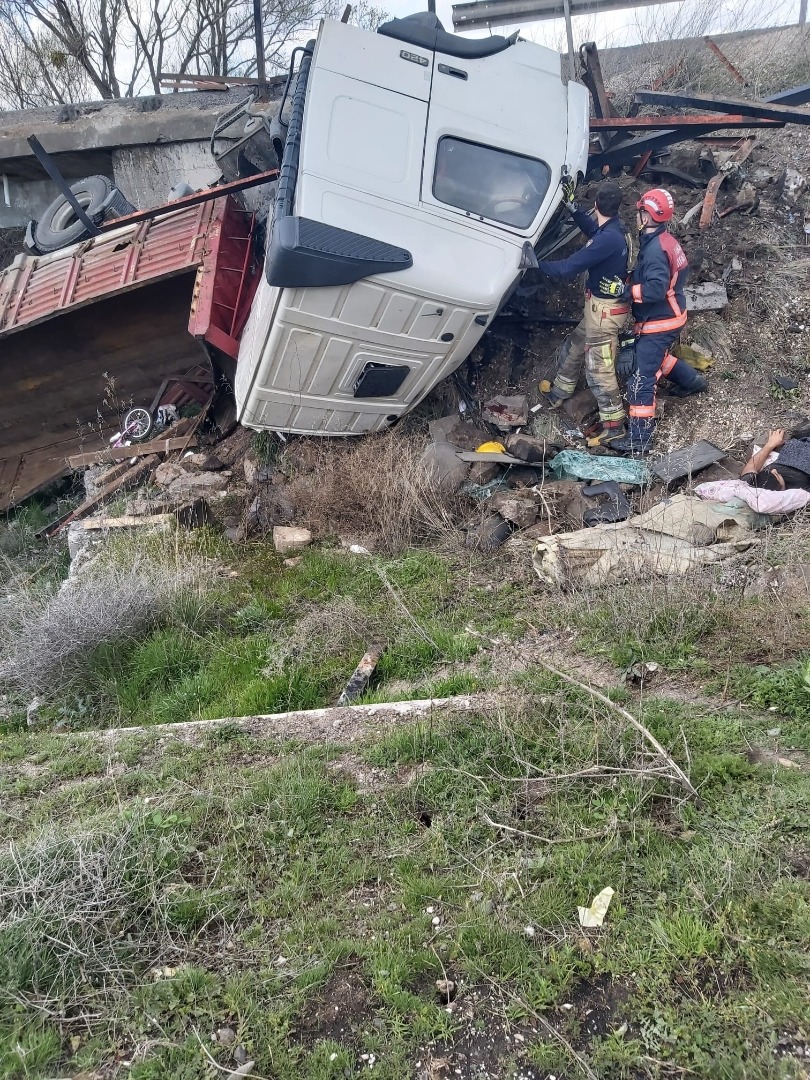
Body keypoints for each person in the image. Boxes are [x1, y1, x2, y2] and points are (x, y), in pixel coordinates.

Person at [601, 188, 707, 456]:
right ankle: (693, 382)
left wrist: (624, 292)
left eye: (639, 212)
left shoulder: (655, 251)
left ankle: (640, 440)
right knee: (656, 357)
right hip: (671, 315)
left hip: (661, 320)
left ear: (647, 216)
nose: (636, 217)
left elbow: (655, 289)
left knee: (641, 378)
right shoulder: (664, 241)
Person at [535, 179, 631, 446]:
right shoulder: (615, 230)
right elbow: (595, 232)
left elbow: (567, 268)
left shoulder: (609, 239)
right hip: (598, 310)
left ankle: (614, 426)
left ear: (597, 204)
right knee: (576, 345)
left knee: (599, 368)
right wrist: (575, 210)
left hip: (604, 314)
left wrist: (535, 264)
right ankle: (559, 393)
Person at [741, 428, 810, 490]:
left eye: (769, 471)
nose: (774, 470)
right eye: (776, 475)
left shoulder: (751, 487)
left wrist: (771, 444)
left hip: (794, 448)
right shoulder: (801, 493)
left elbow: (751, 467)